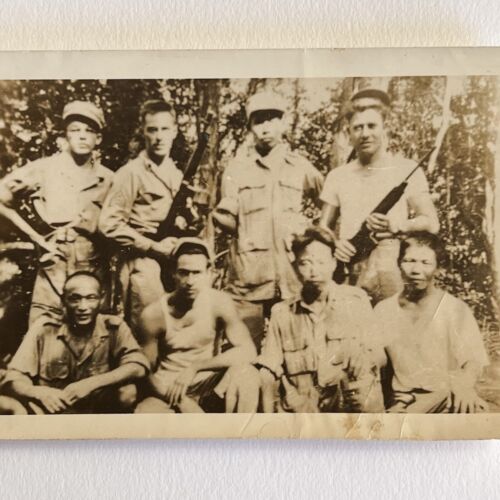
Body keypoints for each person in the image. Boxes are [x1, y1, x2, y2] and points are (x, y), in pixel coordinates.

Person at [212, 90, 324, 350]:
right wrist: (245, 230)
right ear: (250, 127)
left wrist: (310, 233)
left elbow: (330, 203)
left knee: (295, 353)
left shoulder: (300, 166)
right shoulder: (237, 169)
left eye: (272, 119)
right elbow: (223, 217)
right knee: (243, 354)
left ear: (283, 123)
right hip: (248, 280)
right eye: (259, 121)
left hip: (291, 277)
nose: (265, 127)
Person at [320, 88, 439, 304]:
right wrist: (336, 244)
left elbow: (432, 223)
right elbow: (322, 229)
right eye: (358, 128)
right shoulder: (337, 176)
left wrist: (399, 225)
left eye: (372, 126)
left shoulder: (406, 168)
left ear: (385, 128)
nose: (365, 134)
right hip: (350, 267)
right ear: (349, 133)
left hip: (393, 267)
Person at [0, 101, 113, 324]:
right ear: (65, 136)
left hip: (94, 266)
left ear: (98, 139)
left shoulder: (109, 178)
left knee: (95, 336)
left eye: (89, 131)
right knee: (44, 331)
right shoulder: (44, 169)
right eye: (75, 130)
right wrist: (34, 236)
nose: (82, 136)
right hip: (54, 262)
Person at [256, 226, 384, 413]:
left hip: (350, 405)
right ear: (295, 266)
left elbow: (380, 355)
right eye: (305, 263)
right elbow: (269, 366)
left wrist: (365, 356)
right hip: (304, 408)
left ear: (333, 263)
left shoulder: (356, 301)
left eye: (321, 262)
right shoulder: (282, 313)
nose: (313, 271)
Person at [135, 238, 259, 413]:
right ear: (173, 273)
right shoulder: (154, 314)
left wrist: (195, 367)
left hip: (207, 384)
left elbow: (248, 351)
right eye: (183, 273)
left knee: (248, 375)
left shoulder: (219, 303)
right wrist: (181, 402)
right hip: (168, 389)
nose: (190, 281)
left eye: (197, 273)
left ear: (209, 273)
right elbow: (144, 373)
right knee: (146, 415)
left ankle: (241, 437)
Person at [2, 271, 149, 414]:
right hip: (54, 411)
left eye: (91, 298)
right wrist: (39, 392)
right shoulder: (45, 329)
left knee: (128, 393)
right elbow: (14, 378)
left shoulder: (113, 327)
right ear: (63, 300)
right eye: (75, 298)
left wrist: (91, 384)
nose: (83, 307)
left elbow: (138, 366)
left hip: (98, 412)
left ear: (101, 299)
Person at [375, 232, 490, 413]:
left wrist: (463, 385)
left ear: (437, 268)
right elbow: (373, 359)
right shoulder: (384, 310)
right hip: (404, 402)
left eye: (425, 263)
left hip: (448, 397)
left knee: (481, 418)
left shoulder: (454, 309)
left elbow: (473, 362)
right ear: (398, 264)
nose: (416, 270)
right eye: (409, 261)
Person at [98, 100, 183, 331]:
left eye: (165, 129)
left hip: (172, 265)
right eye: (152, 129)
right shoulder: (130, 173)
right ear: (143, 132)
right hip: (142, 264)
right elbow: (108, 224)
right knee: (146, 333)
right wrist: (153, 247)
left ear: (174, 131)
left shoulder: (176, 174)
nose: (159, 137)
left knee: (172, 333)